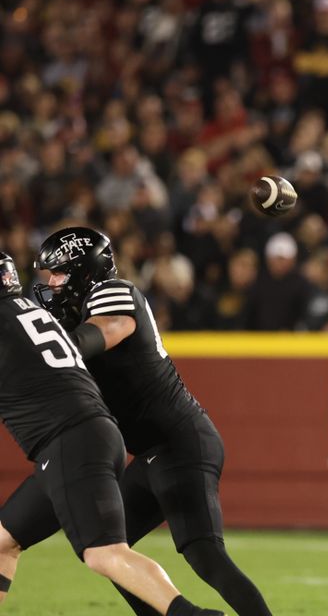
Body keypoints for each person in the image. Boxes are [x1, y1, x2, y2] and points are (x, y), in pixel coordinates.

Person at [32, 227, 270, 616]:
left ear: (84, 271)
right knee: (107, 551)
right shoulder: (78, 310)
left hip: (180, 441)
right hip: (150, 453)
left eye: (58, 274)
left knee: (204, 553)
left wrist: (46, 347)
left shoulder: (112, 291)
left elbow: (107, 331)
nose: (52, 285)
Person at [0, 252, 223, 616]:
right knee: (3, 540)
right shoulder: (29, 311)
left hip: (69, 442)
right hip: (82, 436)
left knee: (105, 554)